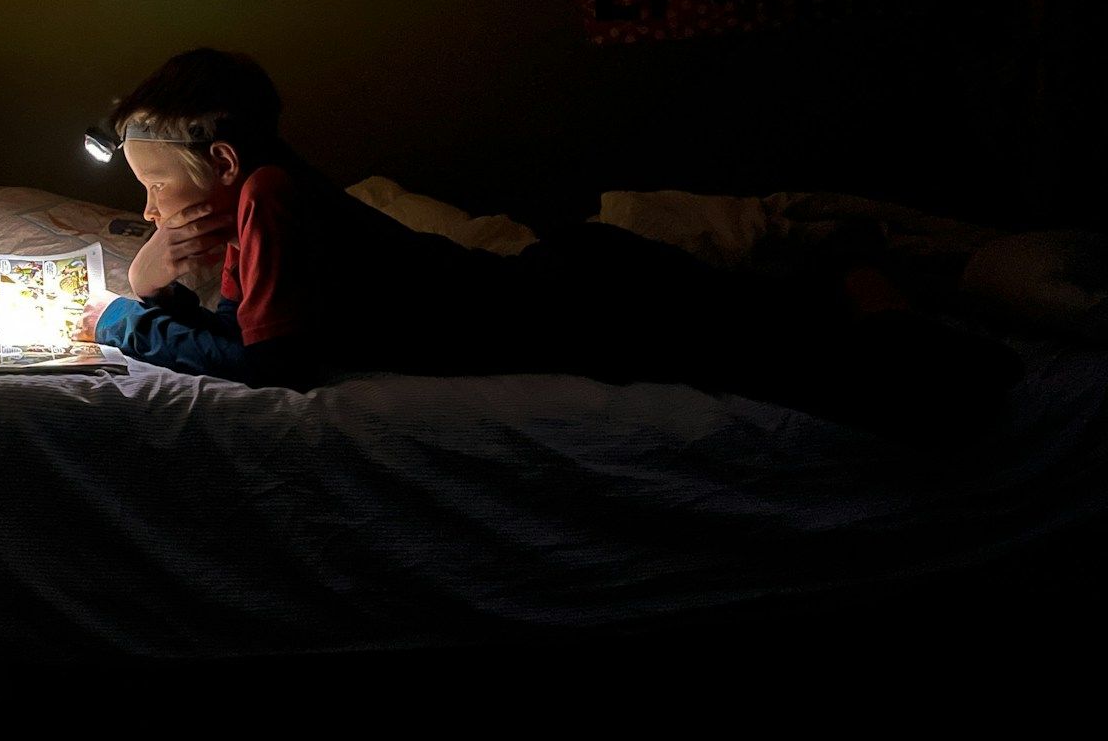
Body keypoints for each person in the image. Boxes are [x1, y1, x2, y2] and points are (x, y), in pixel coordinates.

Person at [80, 48, 1015, 446]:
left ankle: (887, 295)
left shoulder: (274, 198)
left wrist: (130, 322)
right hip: (558, 284)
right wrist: (150, 272)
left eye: (159, 185)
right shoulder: (263, 192)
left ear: (227, 159)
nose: (155, 206)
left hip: (569, 306)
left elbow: (273, 361)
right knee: (763, 325)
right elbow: (241, 315)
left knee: (821, 367)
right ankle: (845, 279)